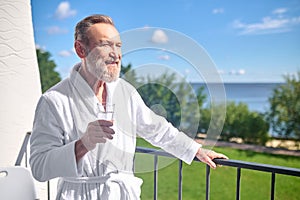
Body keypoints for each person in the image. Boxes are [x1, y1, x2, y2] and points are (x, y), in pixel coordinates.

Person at [30, 14, 228, 200]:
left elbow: (156, 129)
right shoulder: (54, 100)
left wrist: (195, 150)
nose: (116, 54)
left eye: (118, 46)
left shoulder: (124, 91)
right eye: (105, 45)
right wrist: (83, 144)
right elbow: (39, 167)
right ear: (81, 50)